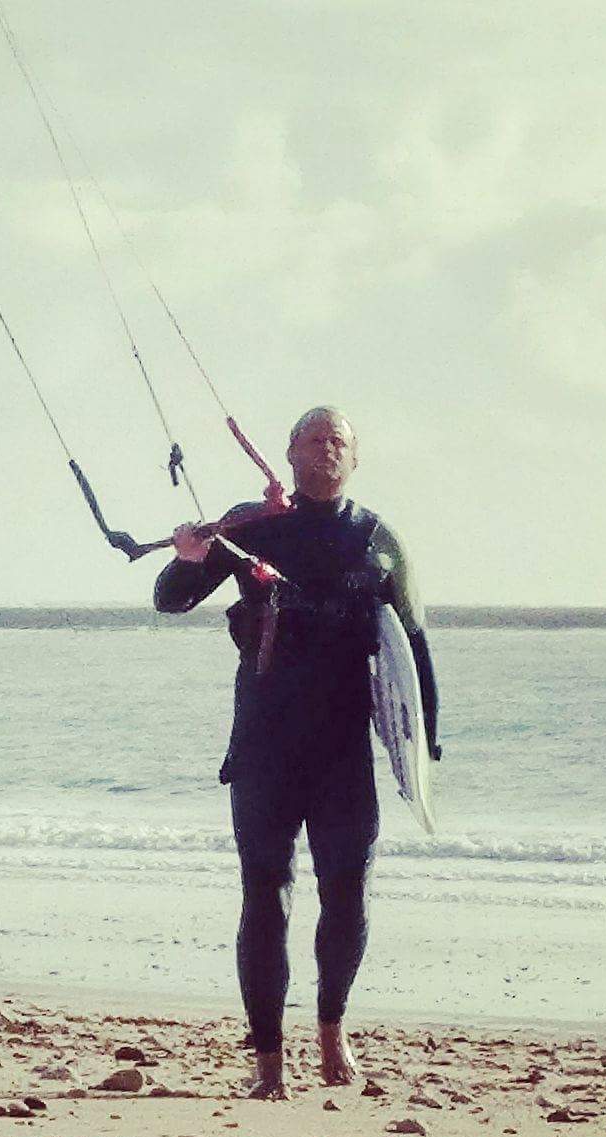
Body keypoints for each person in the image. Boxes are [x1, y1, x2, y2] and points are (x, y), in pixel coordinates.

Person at [153, 407, 441, 1099]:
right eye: (314, 438)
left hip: (343, 749)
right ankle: (269, 1059)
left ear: (354, 458)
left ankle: (332, 1026)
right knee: (265, 891)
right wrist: (186, 557)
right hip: (264, 744)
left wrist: (426, 745)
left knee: (347, 892)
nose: (326, 448)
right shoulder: (252, 526)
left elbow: (414, 645)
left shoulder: (377, 542)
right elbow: (170, 599)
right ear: (289, 453)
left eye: (338, 440)